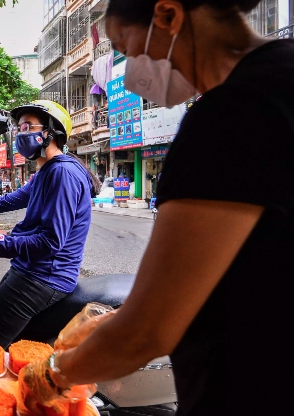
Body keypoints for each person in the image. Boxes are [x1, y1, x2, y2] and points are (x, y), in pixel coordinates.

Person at [19, 1, 293, 415]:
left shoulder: (232, 113)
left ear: (167, 16)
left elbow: (149, 330)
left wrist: (54, 373)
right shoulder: (281, 79)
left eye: (126, 50)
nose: (127, 73)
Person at [0, 100, 101, 350]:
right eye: (20, 129)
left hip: (43, 276)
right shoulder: (46, 172)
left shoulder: (62, 174)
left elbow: (50, 242)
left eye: (28, 127)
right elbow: (6, 201)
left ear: (50, 132)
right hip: (31, 269)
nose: (21, 134)